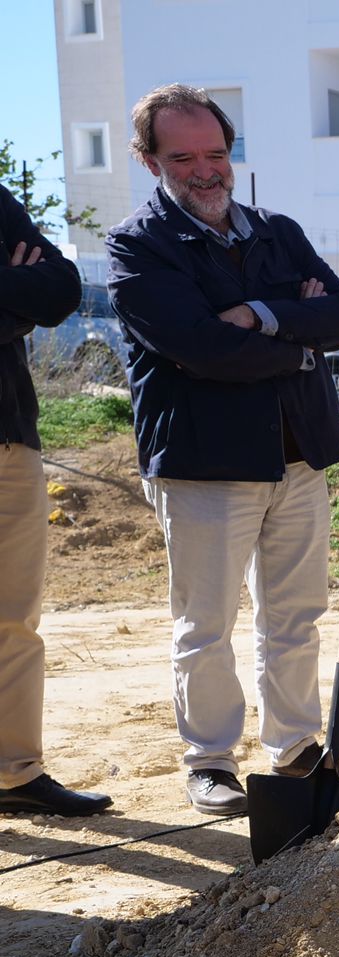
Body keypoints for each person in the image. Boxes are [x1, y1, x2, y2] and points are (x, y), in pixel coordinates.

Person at [106, 84, 339, 817]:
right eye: (182, 157)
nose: (205, 171)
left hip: (297, 456)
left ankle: (295, 749)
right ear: (148, 160)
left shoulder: (275, 230)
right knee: (206, 625)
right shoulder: (137, 246)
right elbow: (198, 347)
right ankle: (211, 762)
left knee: (296, 614)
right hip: (204, 464)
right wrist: (297, 340)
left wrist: (258, 314)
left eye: (215, 153)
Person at [0, 186, 112, 819]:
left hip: (8, 436)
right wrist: (10, 296)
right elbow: (29, 299)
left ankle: (13, 773)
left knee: (13, 618)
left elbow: (59, 291)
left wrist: (22, 299)